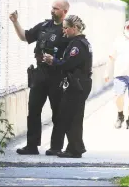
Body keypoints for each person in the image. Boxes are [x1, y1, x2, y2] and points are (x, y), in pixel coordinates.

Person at [9, 0, 71, 155]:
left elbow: (72, 56)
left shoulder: (67, 30)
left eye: (56, 9)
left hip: (57, 75)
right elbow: (25, 37)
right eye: (52, 8)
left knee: (58, 112)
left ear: (64, 12)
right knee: (34, 109)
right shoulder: (44, 26)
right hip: (40, 74)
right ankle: (32, 146)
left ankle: (56, 147)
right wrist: (15, 22)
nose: (52, 11)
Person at [43, 15, 92, 158]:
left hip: (77, 84)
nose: (63, 31)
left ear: (74, 28)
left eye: (66, 28)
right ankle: (75, 148)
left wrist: (53, 61)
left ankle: (75, 149)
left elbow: (68, 64)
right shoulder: (81, 42)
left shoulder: (77, 45)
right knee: (73, 116)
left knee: (69, 116)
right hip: (79, 82)